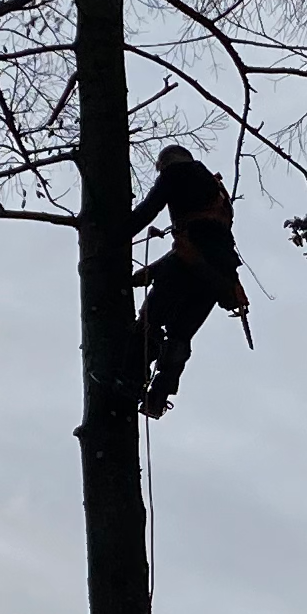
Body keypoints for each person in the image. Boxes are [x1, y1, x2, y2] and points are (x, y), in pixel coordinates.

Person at [127, 144, 245, 418]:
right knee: (180, 334)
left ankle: (131, 379)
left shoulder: (176, 174)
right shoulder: (217, 192)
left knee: (150, 320)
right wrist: (152, 271)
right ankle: (158, 396)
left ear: (166, 163)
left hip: (192, 262)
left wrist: (114, 234)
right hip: (219, 277)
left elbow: (147, 212)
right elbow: (206, 242)